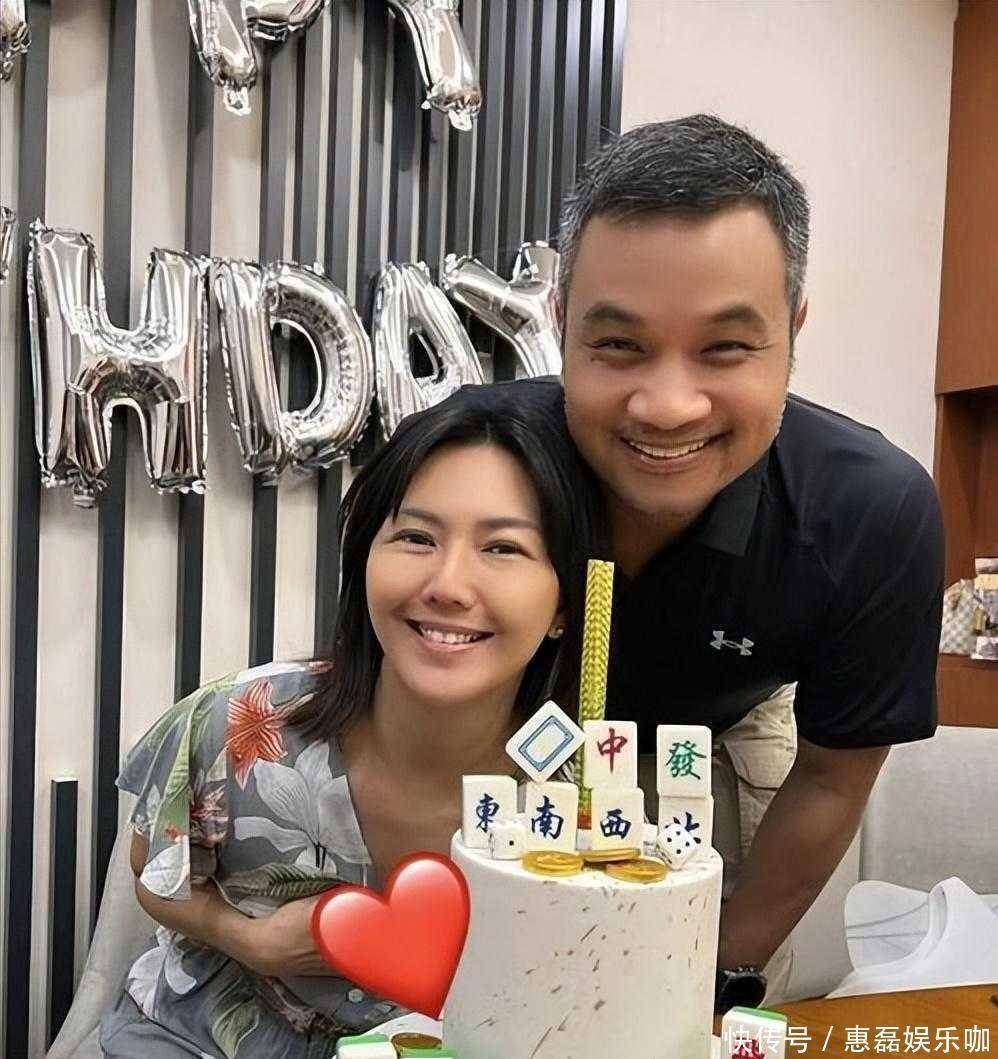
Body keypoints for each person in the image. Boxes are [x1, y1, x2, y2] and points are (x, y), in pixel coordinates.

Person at [483, 114, 945, 1008]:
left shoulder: (871, 512)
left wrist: (715, 974)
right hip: (518, 719)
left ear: (793, 330)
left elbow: (832, 777)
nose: (666, 405)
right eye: (619, 345)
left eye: (725, 347)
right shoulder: (473, 463)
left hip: (730, 722)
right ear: (561, 322)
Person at [99, 387, 602, 1058]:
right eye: (416, 537)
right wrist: (249, 938)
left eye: (503, 548)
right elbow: (155, 871)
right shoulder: (241, 723)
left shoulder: (584, 793)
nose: (448, 585)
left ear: (566, 602)